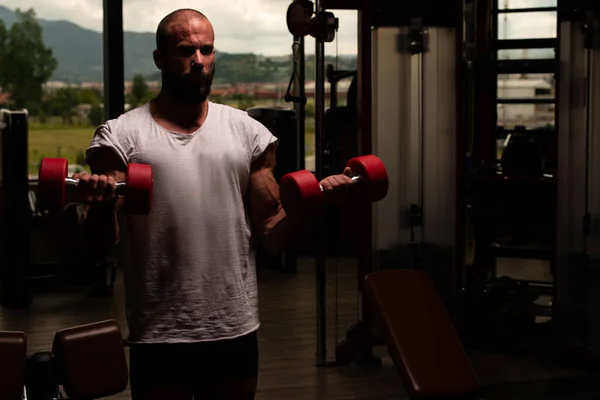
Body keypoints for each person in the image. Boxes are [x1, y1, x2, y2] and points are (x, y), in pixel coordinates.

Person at [74, 8, 353, 400]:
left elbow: (272, 233)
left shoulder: (247, 133)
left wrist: (313, 201)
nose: (199, 62)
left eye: (207, 50)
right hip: (158, 333)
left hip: (232, 327)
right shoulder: (120, 137)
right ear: (160, 59)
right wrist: (102, 204)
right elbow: (100, 245)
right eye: (186, 51)